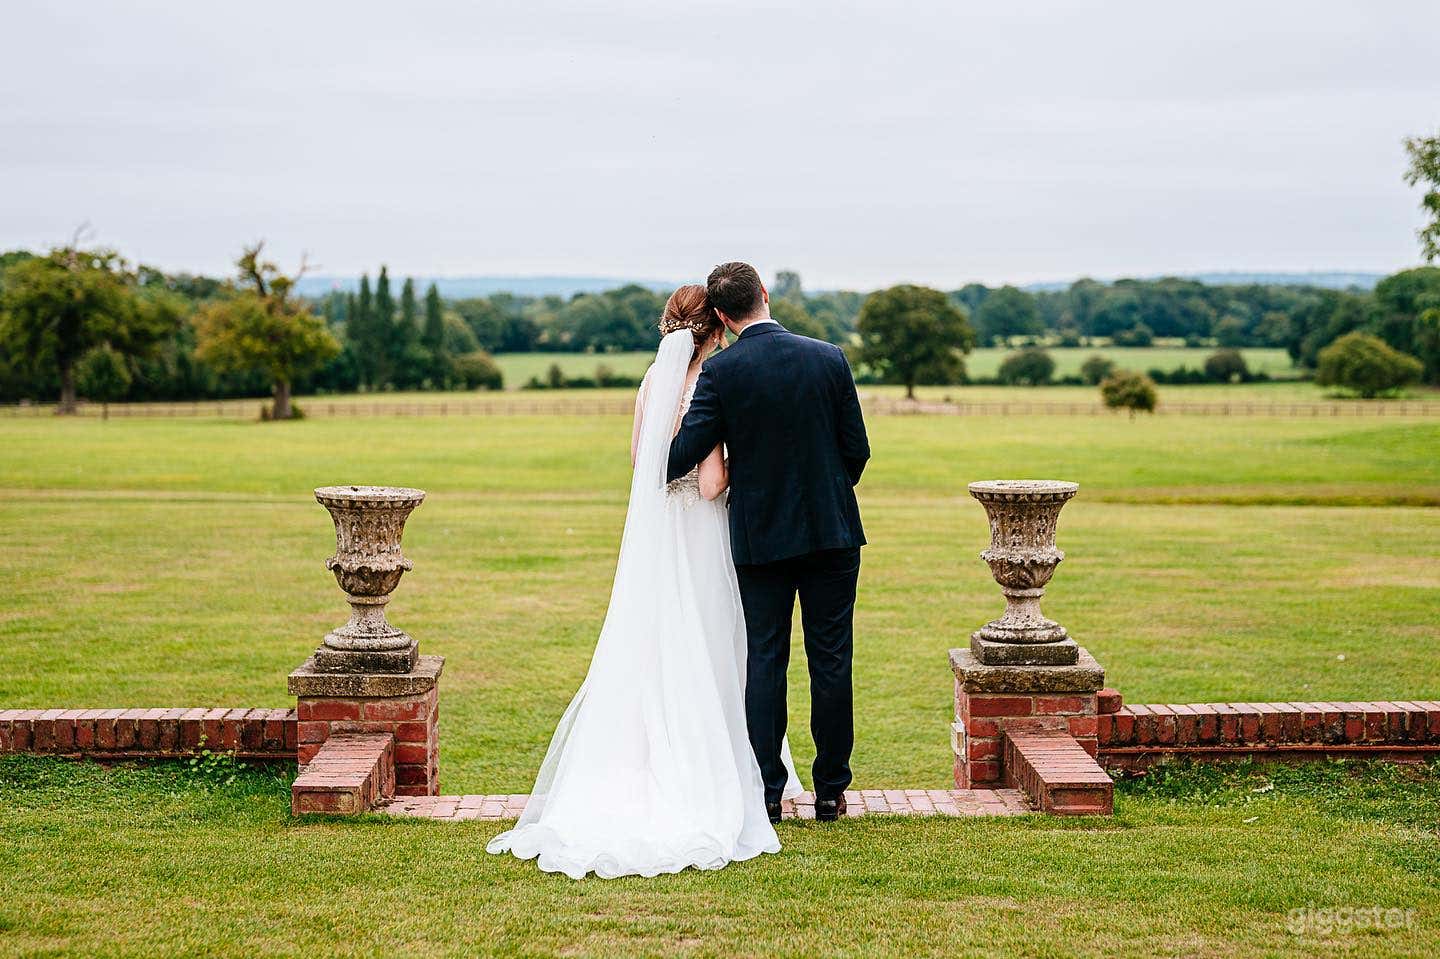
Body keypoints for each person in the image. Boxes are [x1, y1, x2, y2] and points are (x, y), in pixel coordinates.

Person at [487, 284, 801, 879]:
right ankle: (723, 770)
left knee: (654, 645)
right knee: (717, 646)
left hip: (659, 533)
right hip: (702, 532)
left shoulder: (652, 383)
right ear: (716, 329)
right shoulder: (709, 383)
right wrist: (748, 462)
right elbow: (711, 483)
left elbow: (642, 466)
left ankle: (637, 764)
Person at [668, 261, 869, 824]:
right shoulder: (829, 357)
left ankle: (768, 792)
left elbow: (684, 453)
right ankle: (830, 790)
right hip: (832, 533)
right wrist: (827, 492)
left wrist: (657, 443)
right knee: (832, 659)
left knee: (766, 659)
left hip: (760, 538)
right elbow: (856, 450)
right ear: (763, 293)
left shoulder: (721, 372)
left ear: (722, 314)